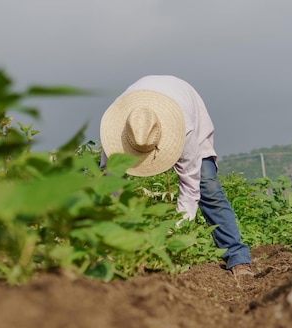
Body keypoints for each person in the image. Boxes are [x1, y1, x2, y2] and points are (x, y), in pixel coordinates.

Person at [99, 75, 254, 280]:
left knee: (207, 186)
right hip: (141, 109)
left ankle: (237, 256)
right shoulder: (117, 128)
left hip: (186, 106)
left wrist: (177, 236)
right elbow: (111, 188)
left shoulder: (185, 129)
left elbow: (191, 187)